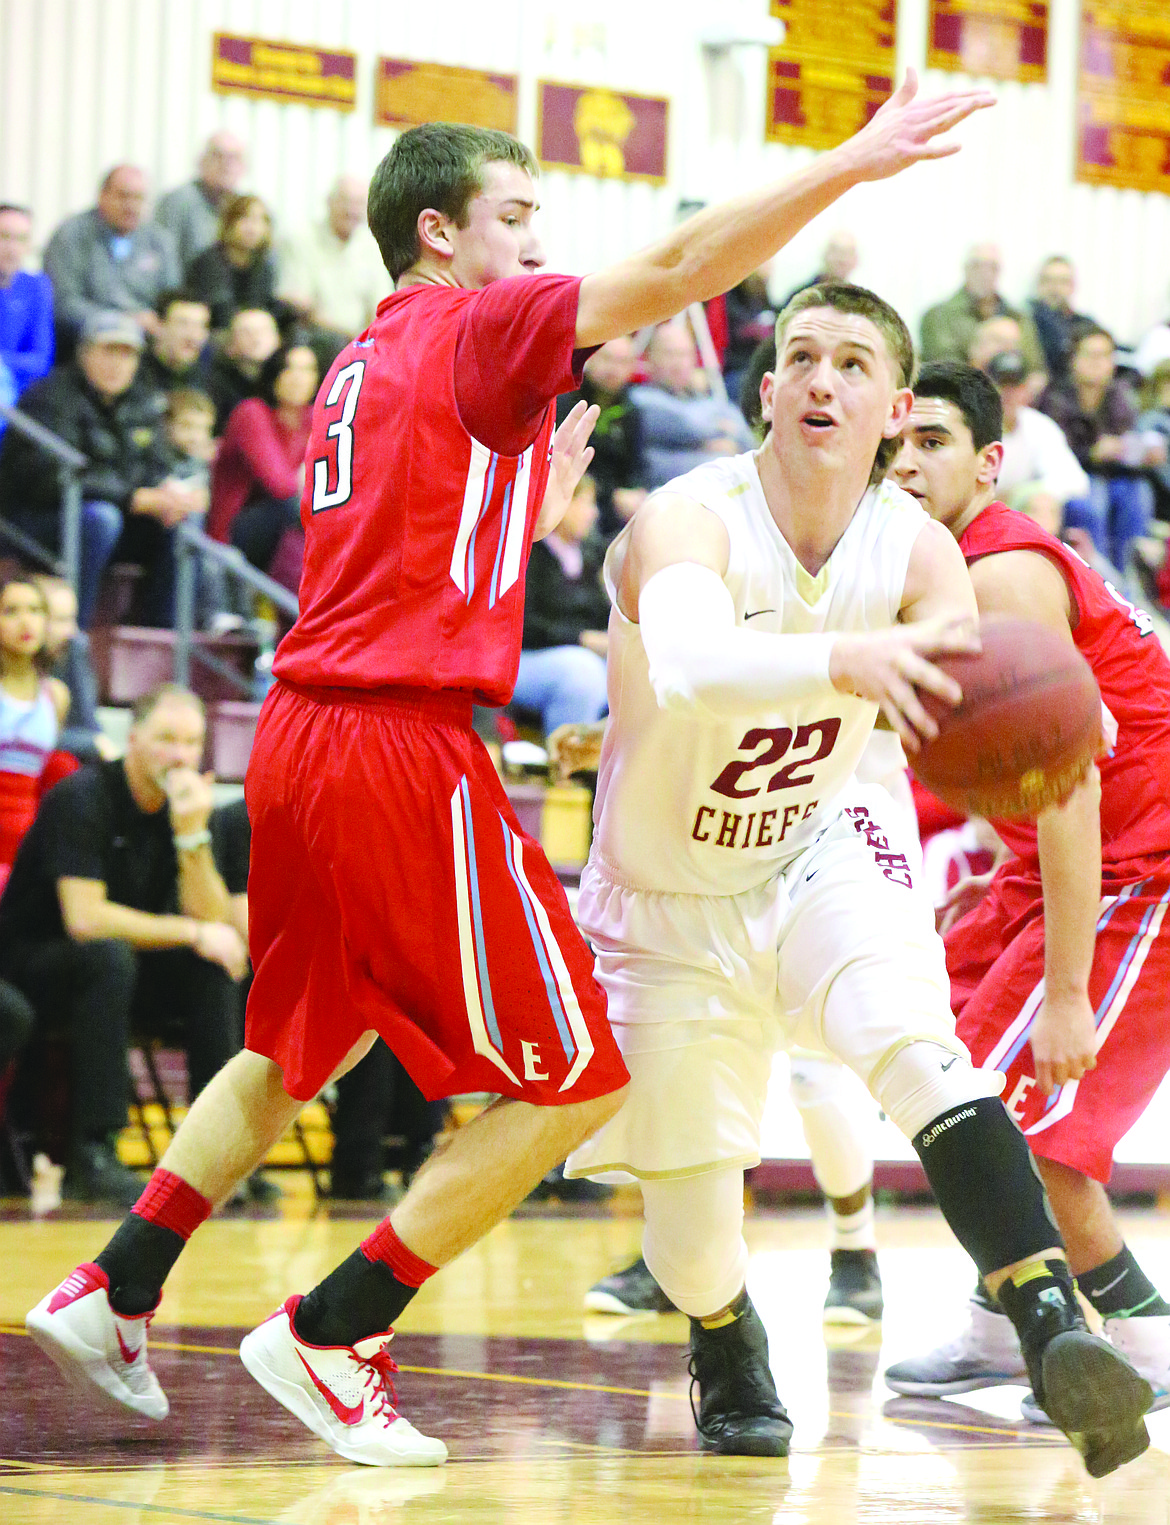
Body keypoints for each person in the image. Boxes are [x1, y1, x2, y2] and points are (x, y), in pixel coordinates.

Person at [24, 77, 1023, 1469]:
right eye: (517, 220)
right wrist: (850, 163)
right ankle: (337, 1327)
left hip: (298, 731)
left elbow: (396, 549)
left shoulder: (360, 362)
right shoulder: (472, 315)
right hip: (395, 743)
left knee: (293, 1044)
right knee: (576, 1076)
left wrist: (523, 513)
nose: (540, 250)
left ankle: (113, 1284)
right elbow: (678, 268)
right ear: (436, 234)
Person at [560, 278, 1151, 1473]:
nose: (823, 379)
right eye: (803, 358)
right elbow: (684, 661)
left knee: (915, 1041)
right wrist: (847, 655)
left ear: (889, 409)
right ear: (768, 389)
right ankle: (724, 1334)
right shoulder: (695, 514)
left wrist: (1036, 735)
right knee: (687, 1232)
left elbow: (978, 710)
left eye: (854, 364)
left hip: (824, 838)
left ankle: (1046, 1320)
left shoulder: (925, 550)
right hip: (671, 896)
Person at [884, 361, 1170, 1422]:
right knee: (947, 1078)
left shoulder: (1001, 574)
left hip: (1145, 867)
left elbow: (1065, 791)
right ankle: (998, 1322)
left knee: (1022, 1130)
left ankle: (1144, 1335)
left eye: (932, 443)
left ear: (989, 462)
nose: (905, 464)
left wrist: (1063, 989)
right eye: (890, 448)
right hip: (1085, 861)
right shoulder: (930, 569)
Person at [0, 684, 249, 1206]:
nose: (179, 755)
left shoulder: (190, 810)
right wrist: (193, 933)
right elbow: (85, 920)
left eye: (190, 742)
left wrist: (191, 837)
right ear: (133, 739)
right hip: (32, 963)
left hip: (122, 969)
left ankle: (213, 1156)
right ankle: (95, 1152)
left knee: (214, 969)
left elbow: (214, 920)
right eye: (166, 739)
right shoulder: (82, 797)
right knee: (110, 958)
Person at [0, 310, 203, 628]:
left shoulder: (143, 402)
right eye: (109, 351)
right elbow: (49, 477)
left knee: (181, 525)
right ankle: (71, 631)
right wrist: (131, 497)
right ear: (84, 352)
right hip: (33, 522)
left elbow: (156, 465)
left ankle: (160, 639)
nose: (117, 364)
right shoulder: (49, 396)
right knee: (101, 519)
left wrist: (171, 494)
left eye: (127, 354)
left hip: (115, 517)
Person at [1038, 325, 1164, 575]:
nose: (1098, 363)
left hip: (1114, 473)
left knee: (1139, 493)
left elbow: (1129, 445)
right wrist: (1093, 452)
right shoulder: (1055, 397)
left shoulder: (1119, 396)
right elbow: (1052, 454)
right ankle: (1098, 578)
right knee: (1093, 498)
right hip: (1073, 475)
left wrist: (1142, 454)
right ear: (1074, 359)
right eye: (1091, 355)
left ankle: (1131, 578)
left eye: (1105, 356)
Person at [207, 343, 317, 578]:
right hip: (232, 534)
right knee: (298, 508)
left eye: (307, 370)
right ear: (273, 373)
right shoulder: (252, 413)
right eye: (289, 368)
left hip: (284, 530)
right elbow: (282, 487)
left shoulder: (316, 418)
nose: (298, 378)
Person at [512, 474, 611, 734]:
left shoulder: (590, 557)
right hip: (524, 658)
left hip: (577, 654)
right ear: (560, 504)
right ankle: (565, 765)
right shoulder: (529, 554)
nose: (593, 514)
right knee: (582, 673)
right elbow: (523, 625)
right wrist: (582, 639)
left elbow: (601, 616)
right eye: (585, 503)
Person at [43, 167, 180, 344]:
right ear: (103, 196)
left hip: (147, 341)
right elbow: (64, 304)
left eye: (138, 198)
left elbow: (171, 299)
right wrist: (123, 321)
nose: (131, 206)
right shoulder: (71, 236)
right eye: (123, 196)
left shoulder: (159, 241)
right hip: (86, 339)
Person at [0, 578, 69, 880]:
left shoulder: (56, 696)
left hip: (27, 843)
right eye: (11, 611)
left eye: (35, 610)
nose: (25, 621)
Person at [631, 321, 755, 490]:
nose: (678, 363)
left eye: (684, 354)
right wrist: (718, 435)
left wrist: (703, 442)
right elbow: (686, 426)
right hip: (668, 491)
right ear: (649, 357)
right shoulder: (640, 399)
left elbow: (747, 436)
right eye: (669, 354)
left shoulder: (707, 401)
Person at [278, 176, 388, 364]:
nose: (351, 211)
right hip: (313, 342)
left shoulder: (373, 247)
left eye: (358, 204)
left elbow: (381, 309)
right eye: (345, 201)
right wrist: (350, 338)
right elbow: (300, 306)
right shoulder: (300, 239)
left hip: (361, 346)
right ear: (329, 202)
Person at [985, 349, 1089, 537]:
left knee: (1078, 509)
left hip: (1026, 515)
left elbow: (1077, 481)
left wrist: (1022, 494)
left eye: (1016, 385)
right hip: (983, 514)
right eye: (1001, 384)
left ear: (1026, 389)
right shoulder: (974, 428)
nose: (1008, 393)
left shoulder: (1039, 426)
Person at [555, 337, 646, 540]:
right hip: (572, 495)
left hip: (616, 510)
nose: (613, 369)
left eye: (622, 362)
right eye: (608, 359)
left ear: (632, 367)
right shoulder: (566, 400)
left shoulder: (632, 411)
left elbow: (637, 467)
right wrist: (611, 495)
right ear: (591, 358)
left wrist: (636, 494)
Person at [919, 243, 1043, 374]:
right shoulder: (938, 316)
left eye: (992, 267)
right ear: (966, 269)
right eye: (977, 266)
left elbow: (1036, 368)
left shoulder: (1018, 317)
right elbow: (946, 369)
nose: (985, 273)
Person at [32, 576, 110, 762]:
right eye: (61, 620)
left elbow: (89, 725)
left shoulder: (72, 649)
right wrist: (91, 743)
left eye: (72, 619)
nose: (72, 632)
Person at [185, 194, 284, 334]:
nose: (253, 227)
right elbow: (219, 312)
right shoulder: (209, 261)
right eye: (245, 218)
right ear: (229, 223)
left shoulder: (263, 265)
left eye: (260, 220)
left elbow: (263, 307)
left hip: (253, 333)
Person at [154, 133, 249, 271]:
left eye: (234, 158)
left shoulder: (244, 208)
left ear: (243, 167)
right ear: (202, 161)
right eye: (218, 155)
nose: (226, 164)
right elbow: (164, 263)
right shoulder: (178, 201)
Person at [0, 203, 54, 397]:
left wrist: (4, 362)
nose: (11, 247)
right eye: (4, 236)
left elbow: (41, 361)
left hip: (19, 394)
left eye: (21, 239)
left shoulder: (36, 286)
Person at [206, 307, 281, 432]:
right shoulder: (215, 384)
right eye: (246, 332)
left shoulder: (287, 382)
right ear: (230, 344)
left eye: (263, 331)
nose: (256, 339)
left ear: (278, 339)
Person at [1028, 256, 1094, 381]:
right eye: (1048, 281)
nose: (1055, 288)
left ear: (1073, 286)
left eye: (1062, 282)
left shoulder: (1085, 326)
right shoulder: (1025, 323)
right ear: (1039, 285)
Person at [136, 291, 212, 399]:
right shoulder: (132, 377)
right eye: (183, 324)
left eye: (201, 326)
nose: (193, 336)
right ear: (159, 326)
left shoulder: (212, 384)